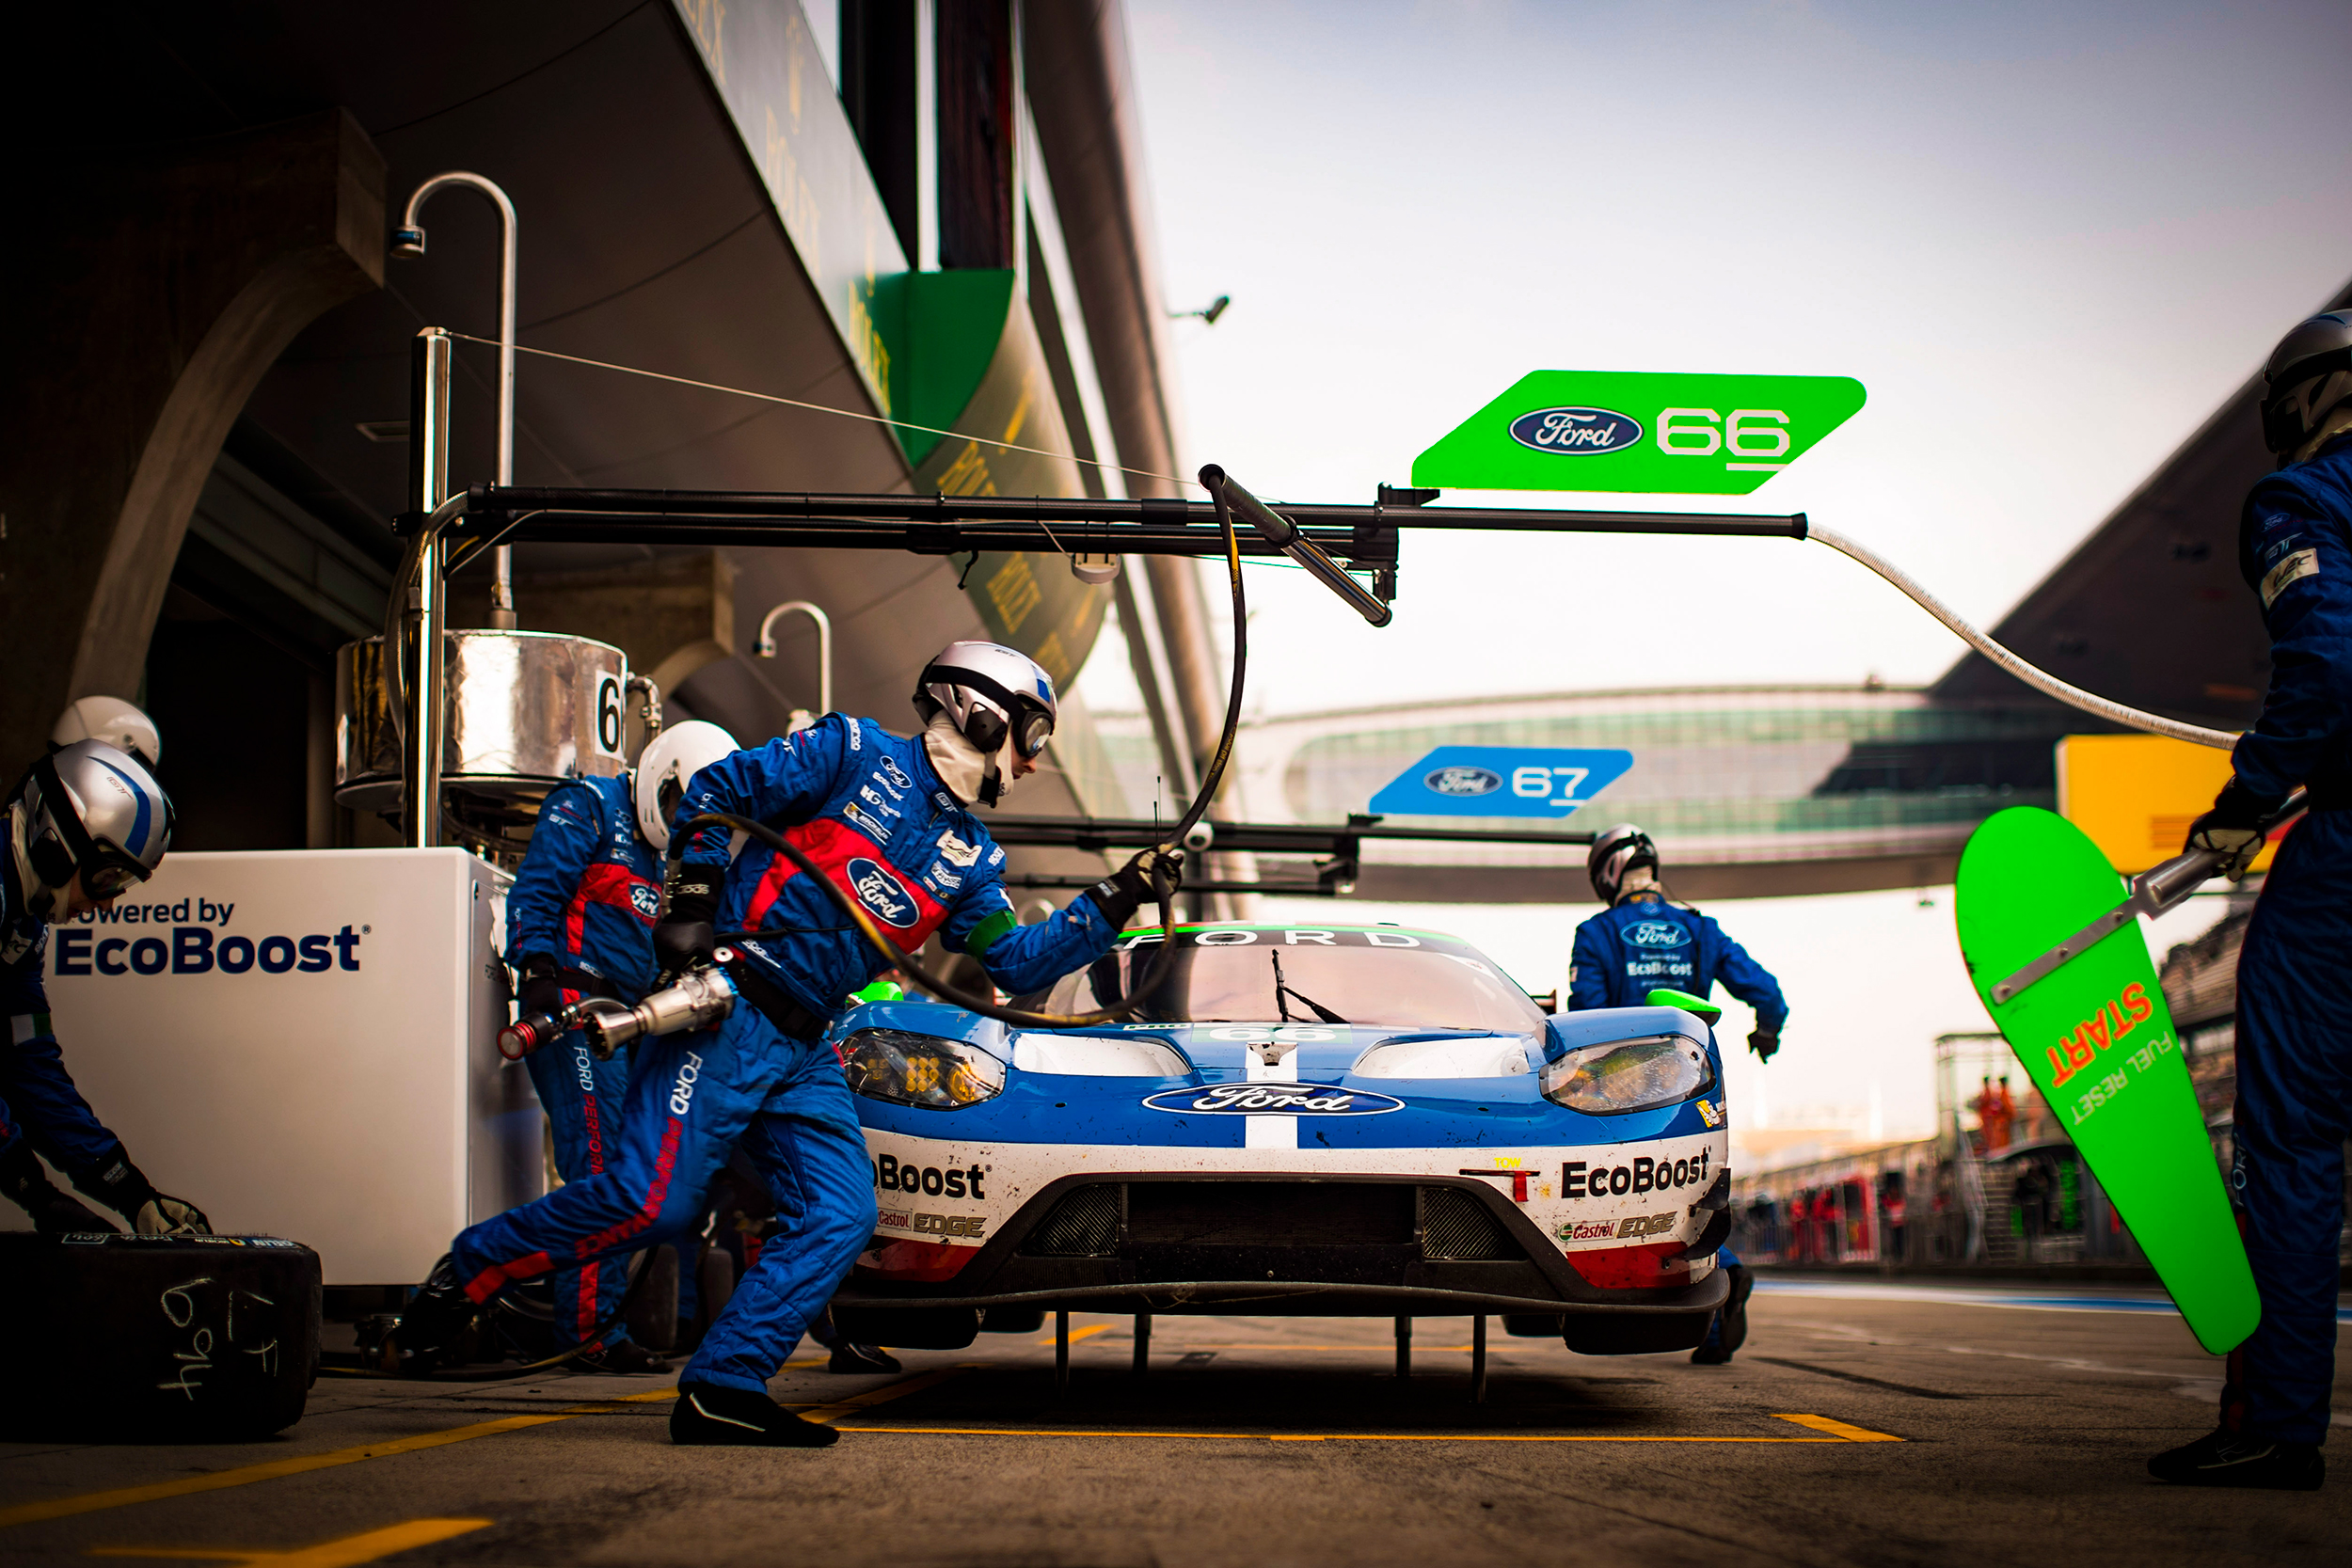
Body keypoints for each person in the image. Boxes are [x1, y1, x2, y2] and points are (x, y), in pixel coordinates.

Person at [400, 641, 1180, 1446]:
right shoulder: (849, 750)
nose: (1029, 762)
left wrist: (1118, 895)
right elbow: (718, 788)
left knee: (842, 1212)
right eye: (1031, 735)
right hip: (729, 1009)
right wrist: (692, 894)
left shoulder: (973, 860)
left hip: (808, 1045)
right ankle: (473, 1270)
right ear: (980, 711)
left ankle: (722, 1385)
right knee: (652, 1203)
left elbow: (1017, 963)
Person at [2150, 310, 2352, 1492]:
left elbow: (2327, 668)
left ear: (2299, 401)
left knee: (2289, 1137)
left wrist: (2241, 809)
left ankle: (2276, 1424)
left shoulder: (2302, 499)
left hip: (2341, 862)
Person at [502, 719, 739, 1374]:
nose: (680, 822)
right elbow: (536, 893)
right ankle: (587, 1333)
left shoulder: (674, 864)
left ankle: (614, 1320)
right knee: (601, 1165)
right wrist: (540, 971)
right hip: (573, 1011)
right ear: (660, 776)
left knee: (654, 1172)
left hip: (631, 1023)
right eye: (676, 806)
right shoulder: (587, 806)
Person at [1569, 823, 1788, 1366]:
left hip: (1625, 1092)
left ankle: (1723, 1273)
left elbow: (1589, 1015)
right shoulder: (1701, 928)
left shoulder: (1596, 933)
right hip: (1696, 1080)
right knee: (1697, 1194)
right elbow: (1768, 993)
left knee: (1628, 1200)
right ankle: (1714, 1316)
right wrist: (1766, 1032)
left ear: (1607, 872)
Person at [3, 735, 210, 1239]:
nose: (110, 903)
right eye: (108, 877)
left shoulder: (23, 927)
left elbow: (27, 1063)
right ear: (56, 841)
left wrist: (130, 1192)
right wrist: (35, 1191)